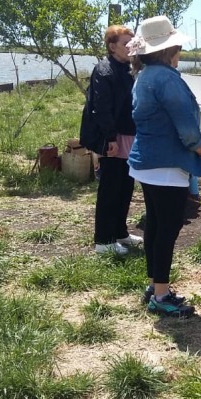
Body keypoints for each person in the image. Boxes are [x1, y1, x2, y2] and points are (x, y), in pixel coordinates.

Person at [126, 15, 201, 317]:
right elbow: (186, 127)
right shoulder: (166, 78)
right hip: (166, 163)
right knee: (169, 227)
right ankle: (161, 295)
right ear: (169, 50)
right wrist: (200, 147)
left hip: (147, 160)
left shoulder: (145, 75)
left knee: (156, 224)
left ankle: (155, 284)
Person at [79, 25, 142, 255]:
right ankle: (103, 241)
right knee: (110, 188)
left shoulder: (129, 68)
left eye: (132, 42)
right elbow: (101, 108)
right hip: (113, 137)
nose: (130, 47)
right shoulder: (105, 69)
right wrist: (110, 138)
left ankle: (120, 233)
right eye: (126, 43)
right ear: (112, 46)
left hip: (128, 135)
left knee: (125, 187)